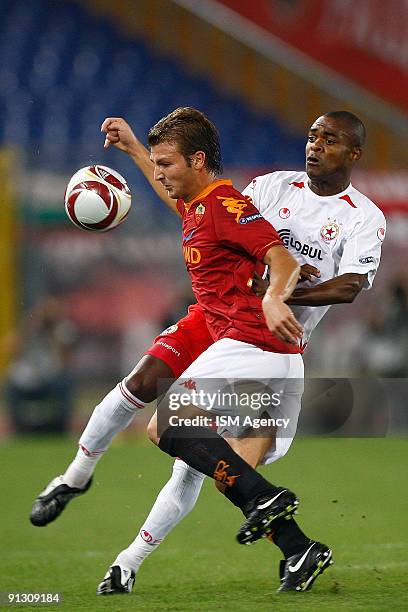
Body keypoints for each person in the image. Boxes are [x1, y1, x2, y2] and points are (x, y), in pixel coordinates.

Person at [30, 109, 385, 594]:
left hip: (266, 340)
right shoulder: (270, 188)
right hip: (229, 327)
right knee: (208, 463)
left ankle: (264, 505)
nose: (315, 145)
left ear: (354, 153)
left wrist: (278, 295)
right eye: (311, 135)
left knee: (187, 439)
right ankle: (289, 548)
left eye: (329, 139)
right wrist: (137, 151)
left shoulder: (363, 216)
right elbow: (197, 205)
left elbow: (344, 285)